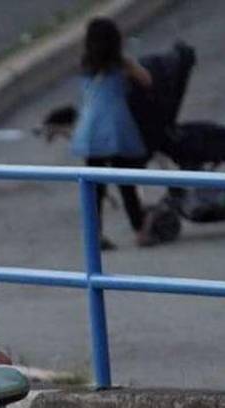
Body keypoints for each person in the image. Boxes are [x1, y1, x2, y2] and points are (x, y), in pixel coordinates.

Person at [70, 17, 154, 250]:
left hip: (90, 131)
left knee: (95, 188)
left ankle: (94, 235)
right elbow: (147, 80)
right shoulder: (121, 64)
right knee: (126, 183)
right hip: (116, 129)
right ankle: (140, 230)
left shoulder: (85, 64)